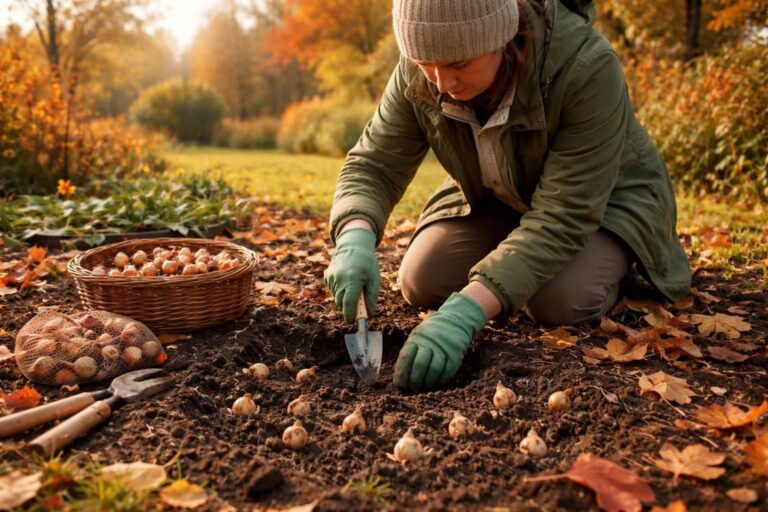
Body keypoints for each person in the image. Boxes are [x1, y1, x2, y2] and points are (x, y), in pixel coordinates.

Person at [323, 0, 692, 391]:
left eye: (458, 64)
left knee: (559, 300)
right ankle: (513, 261)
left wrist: (468, 310)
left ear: (500, 39)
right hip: (506, 196)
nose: (440, 83)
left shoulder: (587, 67)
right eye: (424, 64)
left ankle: (613, 260)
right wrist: (354, 236)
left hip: (607, 203)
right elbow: (375, 163)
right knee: (421, 279)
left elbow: (563, 215)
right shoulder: (425, 69)